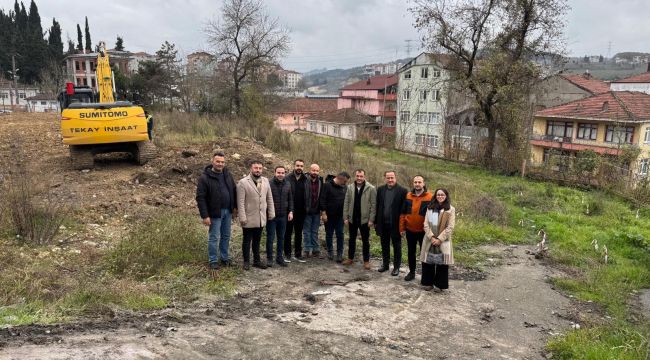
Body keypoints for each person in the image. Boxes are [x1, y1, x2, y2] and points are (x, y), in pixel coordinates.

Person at [196, 151, 237, 270]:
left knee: (226, 235)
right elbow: (200, 198)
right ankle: (213, 260)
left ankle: (224, 258)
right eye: (218, 161)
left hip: (228, 212)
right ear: (212, 161)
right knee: (214, 237)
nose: (220, 164)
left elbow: (233, 190)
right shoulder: (204, 178)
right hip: (214, 213)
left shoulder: (227, 174)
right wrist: (205, 216)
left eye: (222, 162)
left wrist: (234, 207)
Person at [237, 160, 275, 270]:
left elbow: (269, 198)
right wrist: (242, 217)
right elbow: (240, 202)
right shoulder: (243, 183)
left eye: (260, 168)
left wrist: (271, 212)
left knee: (257, 240)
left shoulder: (265, 181)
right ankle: (246, 261)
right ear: (251, 168)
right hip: (248, 217)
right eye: (255, 168)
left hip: (261, 217)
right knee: (247, 241)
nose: (258, 170)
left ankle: (257, 261)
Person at [421, 188, 456, 291]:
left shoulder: (450, 209)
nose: (440, 196)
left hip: (443, 240)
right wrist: (431, 237)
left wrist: (440, 239)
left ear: (446, 196)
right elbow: (425, 224)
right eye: (438, 195)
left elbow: (450, 226)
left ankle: (440, 285)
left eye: (442, 195)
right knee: (428, 262)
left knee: (442, 263)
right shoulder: (430, 208)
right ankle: (428, 283)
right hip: (429, 239)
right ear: (435, 196)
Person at [400, 175, 433, 281]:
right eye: (415, 182)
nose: (417, 184)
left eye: (419, 182)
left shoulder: (430, 197)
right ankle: (412, 272)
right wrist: (402, 228)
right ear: (413, 183)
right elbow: (403, 213)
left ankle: (426, 275)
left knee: (424, 253)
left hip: (424, 231)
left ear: (424, 183)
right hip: (410, 230)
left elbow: (434, 216)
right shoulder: (408, 195)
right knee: (411, 252)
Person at [375, 170, 408, 276]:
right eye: (388, 178)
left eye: (392, 177)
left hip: (396, 224)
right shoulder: (380, 190)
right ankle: (385, 265)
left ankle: (396, 267)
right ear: (385, 178)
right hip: (383, 223)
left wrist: (403, 226)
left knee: (397, 246)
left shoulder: (403, 191)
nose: (390, 180)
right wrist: (376, 221)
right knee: (384, 245)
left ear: (395, 177)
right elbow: (378, 206)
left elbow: (405, 210)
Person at [343, 169, 376, 270]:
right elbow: (346, 202)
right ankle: (350, 258)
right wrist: (345, 217)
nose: (359, 178)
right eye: (357, 176)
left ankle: (366, 261)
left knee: (365, 241)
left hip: (365, 220)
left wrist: (371, 219)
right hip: (352, 218)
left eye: (361, 176)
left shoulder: (371, 188)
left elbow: (374, 205)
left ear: (364, 177)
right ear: (355, 176)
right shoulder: (350, 187)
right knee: (351, 239)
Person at [267, 165, 294, 267]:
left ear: (285, 173)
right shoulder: (269, 184)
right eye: (278, 172)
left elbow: (290, 199)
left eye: (282, 173)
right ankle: (269, 258)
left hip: (283, 216)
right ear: (275, 172)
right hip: (271, 217)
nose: (280, 175)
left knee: (281, 238)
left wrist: (291, 211)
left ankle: (279, 257)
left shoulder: (288, 184)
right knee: (270, 238)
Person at [320, 171, 350, 262]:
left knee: (340, 234)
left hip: (340, 216)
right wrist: (323, 213)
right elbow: (322, 199)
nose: (345, 183)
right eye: (344, 181)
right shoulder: (327, 185)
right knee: (329, 234)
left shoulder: (345, 187)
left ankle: (340, 253)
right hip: (329, 215)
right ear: (340, 178)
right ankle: (330, 252)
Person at [285, 159, 308, 263]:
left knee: (299, 233)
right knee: (288, 232)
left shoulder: (305, 179)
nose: (299, 167)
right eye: (297, 165)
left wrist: (307, 208)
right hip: (290, 211)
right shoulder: (287, 178)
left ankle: (298, 254)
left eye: (301, 166)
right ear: (294, 166)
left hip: (301, 211)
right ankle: (287, 254)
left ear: (303, 167)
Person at [303, 163, 323, 259]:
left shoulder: (320, 181)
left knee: (314, 231)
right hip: (307, 211)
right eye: (313, 170)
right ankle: (307, 250)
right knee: (306, 231)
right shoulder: (304, 180)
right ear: (310, 170)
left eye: (317, 171)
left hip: (316, 211)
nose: (315, 172)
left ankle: (315, 250)